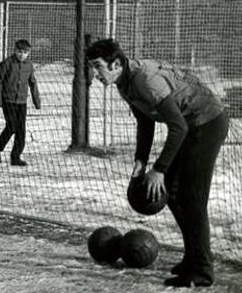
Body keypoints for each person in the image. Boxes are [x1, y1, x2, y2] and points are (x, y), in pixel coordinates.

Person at [86, 39, 228, 288]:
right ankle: (192, 258)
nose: (95, 74)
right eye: (92, 67)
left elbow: (178, 126)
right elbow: (145, 122)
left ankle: (202, 270)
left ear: (116, 63)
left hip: (207, 123)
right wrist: (141, 162)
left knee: (192, 199)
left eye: (98, 66)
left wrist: (159, 169)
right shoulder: (124, 83)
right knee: (171, 194)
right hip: (190, 126)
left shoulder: (145, 80)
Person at [0, 39, 41, 166]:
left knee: (21, 130)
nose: (21, 54)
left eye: (24, 52)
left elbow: (33, 83)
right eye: (19, 51)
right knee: (12, 126)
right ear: (14, 50)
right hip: (8, 100)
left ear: (28, 53)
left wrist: (36, 101)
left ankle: (15, 157)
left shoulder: (29, 65)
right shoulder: (7, 63)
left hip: (21, 102)